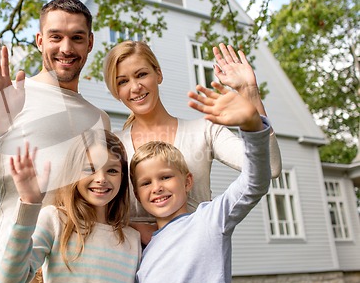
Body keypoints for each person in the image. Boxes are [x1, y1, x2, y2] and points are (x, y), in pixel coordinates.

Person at [0, 0, 111, 283]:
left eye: (77, 37)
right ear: (39, 40)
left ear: (90, 43)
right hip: (18, 274)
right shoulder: (8, 97)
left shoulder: (100, 119)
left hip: (83, 277)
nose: (66, 48)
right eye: (56, 37)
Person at [103, 41, 281, 242]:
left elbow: (270, 167)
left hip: (195, 259)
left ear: (158, 74)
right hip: (133, 265)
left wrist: (250, 93)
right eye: (123, 81)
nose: (135, 87)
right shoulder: (113, 146)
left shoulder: (204, 131)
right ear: (116, 92)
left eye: (141, 74)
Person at [130, 82, 272, 283]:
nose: (157, 187)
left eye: (165, 177)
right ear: (137, 195)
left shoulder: (209, 220)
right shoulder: (144, 252)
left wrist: (252, 127)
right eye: (146, 183)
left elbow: (255, 182)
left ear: (187, 182)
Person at [0, 129, 141, 283]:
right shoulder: (55, 220)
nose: (101, 178)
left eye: (112, 171)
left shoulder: (132, 238)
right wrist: (28, 205)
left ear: (123, 178)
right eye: (90, 169)